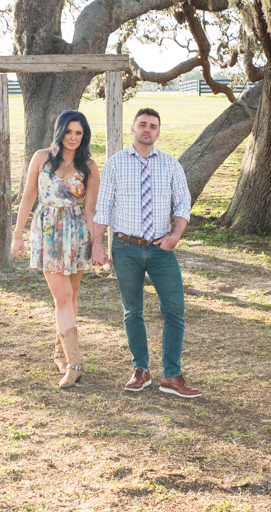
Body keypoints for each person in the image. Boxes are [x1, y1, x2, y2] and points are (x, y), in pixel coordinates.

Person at [90, 107, 201, 398]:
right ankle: (141, 370)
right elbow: (103, 208)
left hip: (161, 250)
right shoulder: (115, 164)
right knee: (132, 311)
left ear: (159, 132)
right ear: (132, 129)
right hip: (125, 247)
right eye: (142, 124)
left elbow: (183, 205)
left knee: (175, 311)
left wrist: (174, 237)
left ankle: (172, 376)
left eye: (153, 125)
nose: (147, 129)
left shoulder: (171, 165)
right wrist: (98, 245)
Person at [10, 109, 101, 389]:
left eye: (79, 133)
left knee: (71, 297)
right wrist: (17, 235)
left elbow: (90, 208)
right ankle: (74, 364)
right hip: (48, 231)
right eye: (69, 131)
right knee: (62, 296)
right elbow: (28, 198)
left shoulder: (89, 166)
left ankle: (60, 352)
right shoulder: (41, 158)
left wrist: (96, 243)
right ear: (59, 131)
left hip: (76, 233)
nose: (73, 138)